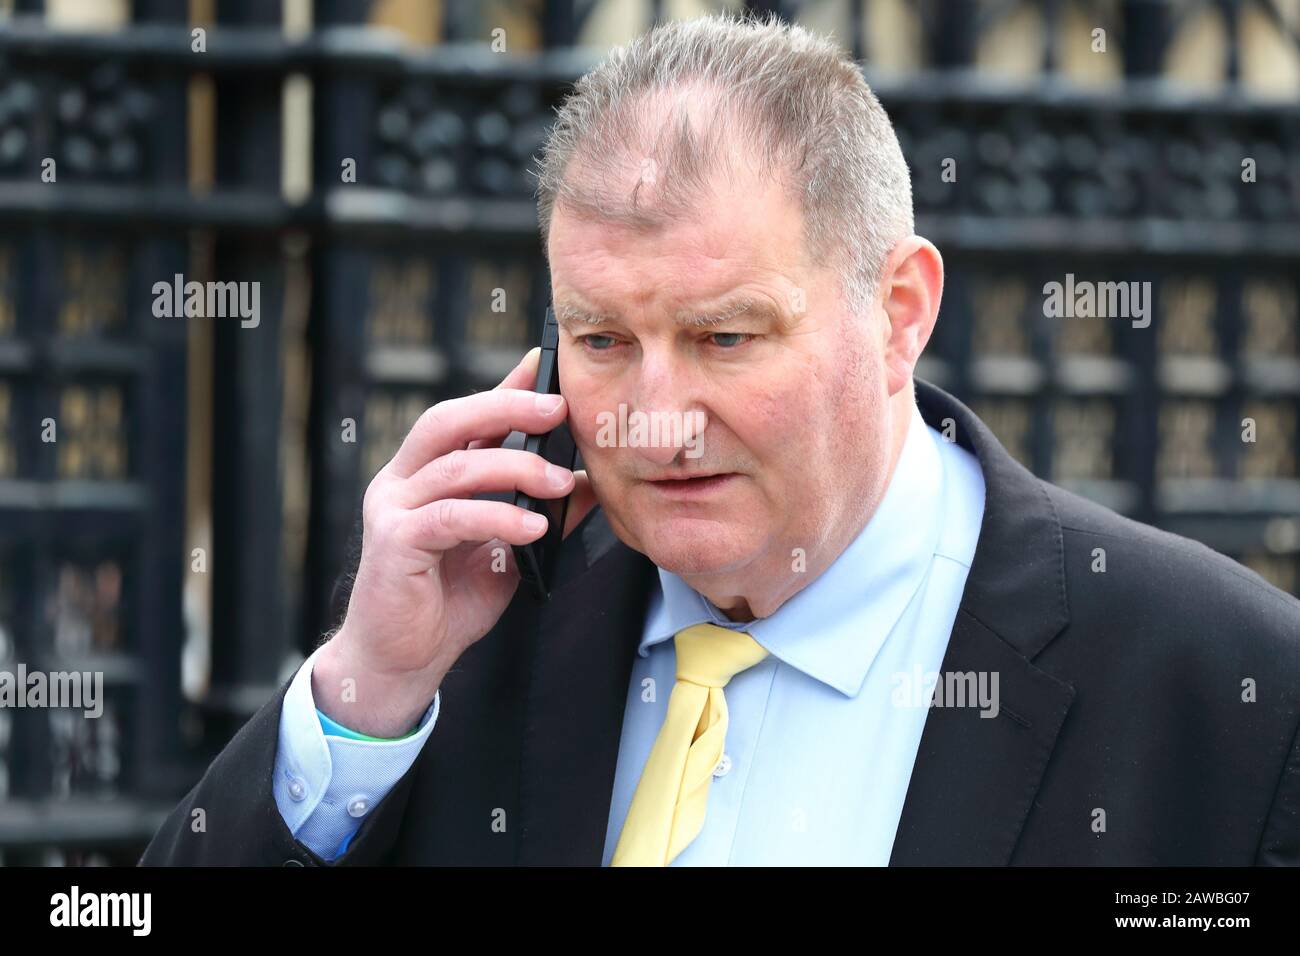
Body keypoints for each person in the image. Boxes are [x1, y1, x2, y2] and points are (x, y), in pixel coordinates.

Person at [141, 12, 1300, 867]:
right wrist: (365, 689)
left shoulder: (1225, 683)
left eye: (725, 335)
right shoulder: (465, 642)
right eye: (599, 340)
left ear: (899, 312)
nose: (654, 415)